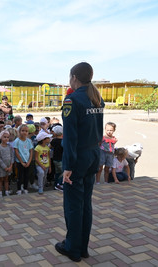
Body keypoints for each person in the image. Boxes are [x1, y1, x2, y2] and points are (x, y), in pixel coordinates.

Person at [55, 62, 104, 262]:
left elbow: (71, 138)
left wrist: (67, 167)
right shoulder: (96, 98)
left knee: (74, 205)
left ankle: (73, 248)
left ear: (74, 77)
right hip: (93, 156)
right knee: (86, 204)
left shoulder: (72, 100)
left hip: (78, 159)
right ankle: (82, 247)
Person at [13, 124, 34, 195]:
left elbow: (31, 151)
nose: (24, 132)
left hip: (27, 161)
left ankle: (25, 188)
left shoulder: (29, 141)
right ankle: (19, 189)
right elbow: (16, 151)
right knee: (20, 176)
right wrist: (21, 162)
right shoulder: (17, 141)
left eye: (26, 131)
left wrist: (29, 161)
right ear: (19, 131)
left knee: (26, 176)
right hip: (20, 162)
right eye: (23, 131)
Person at [0, 130, 14, 197]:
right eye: (4, 137)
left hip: (9, 166)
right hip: (2, 167)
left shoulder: (9, 147)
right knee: (1, 179)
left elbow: (12, 156)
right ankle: (0, 192)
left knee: (7, 179)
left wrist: (11, 166)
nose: (6, 138)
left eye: (7, 137)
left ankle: (7, 191)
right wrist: (5, 167)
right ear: (1, 137)